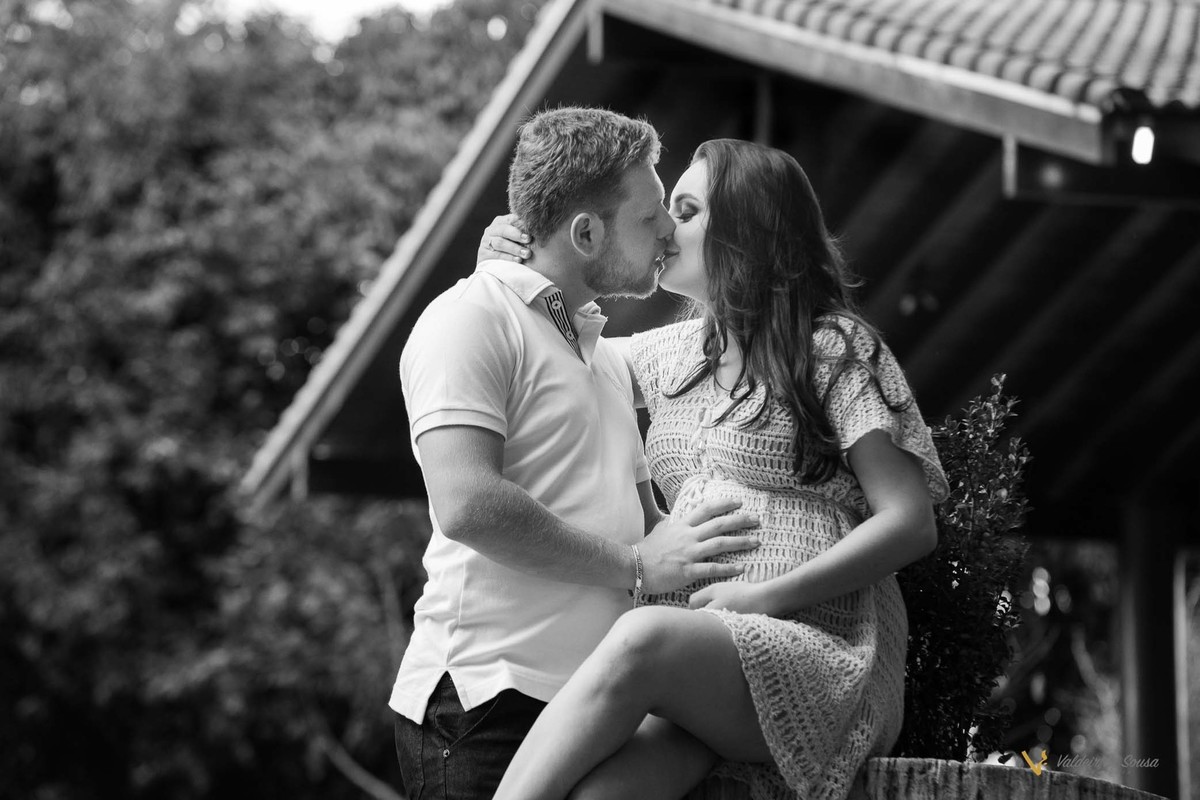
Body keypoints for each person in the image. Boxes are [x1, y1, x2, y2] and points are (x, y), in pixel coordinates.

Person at [480, 138, 950, 800]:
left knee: (640, 637)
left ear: (748, 228)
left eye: (687, 211)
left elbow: (911, 522)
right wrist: (507, 269)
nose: (664, 230)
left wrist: (764, 597)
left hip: (821, 650)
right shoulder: (666, 354)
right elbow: (548, 349)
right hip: (705, 666)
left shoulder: (834, 348)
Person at [392, 108, 761, 800]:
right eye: (651, 215)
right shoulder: (469, 318)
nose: (669, 231)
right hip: (486, 706)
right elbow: (468, 505)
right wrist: (636, 566)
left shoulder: (602, 355)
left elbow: (641, 525)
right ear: (586, 233)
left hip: (597, 714)